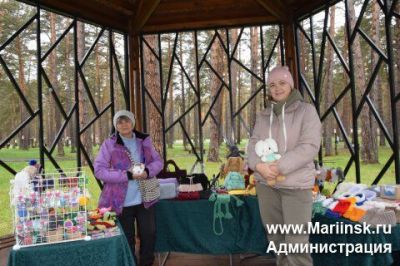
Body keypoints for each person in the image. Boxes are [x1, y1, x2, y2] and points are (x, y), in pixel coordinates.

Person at [247, 66, 321, 266]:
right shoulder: (263, 115)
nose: (277, 88)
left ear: (291, 84)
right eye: (272, 85)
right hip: (266, 186)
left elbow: (309, 146)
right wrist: (259, 167)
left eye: (281, 83)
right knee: (277, 242)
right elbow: (252, 146)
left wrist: (278, 167)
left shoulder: (307, 111)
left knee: (297, 245)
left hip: (296, 186)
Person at [94, 110, 163, 266]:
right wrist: (126, 175)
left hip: (145, 198)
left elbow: (158, 162)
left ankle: (146, 263)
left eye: (127, 121)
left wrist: (147, 172)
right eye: (120, 122)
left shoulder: (144, 141)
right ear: (115, 125)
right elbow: (99, 170)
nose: (124, 124)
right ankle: (129, 263)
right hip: (120, 202)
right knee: (127, 238)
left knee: (149, 234)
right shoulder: (109, 144)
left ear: (133, 122)